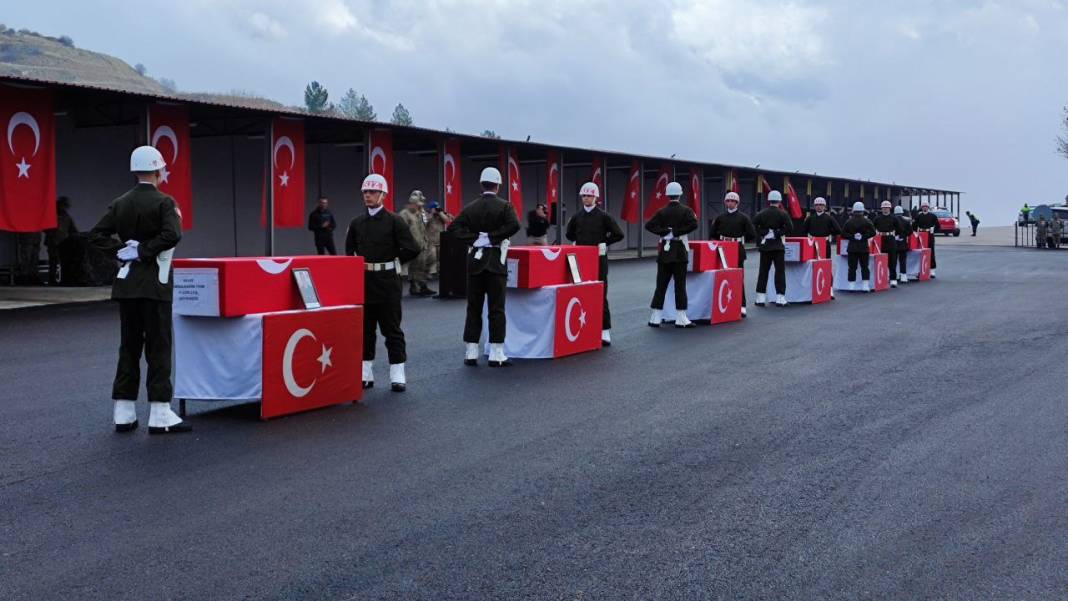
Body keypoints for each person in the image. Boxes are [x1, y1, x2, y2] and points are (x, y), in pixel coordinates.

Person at [88, 146, 188, 434]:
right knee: (158, 346)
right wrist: (144, 251)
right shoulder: (165, 202)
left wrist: (122, 250)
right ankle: (159, 412)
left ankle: (124, 410)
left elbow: (96, 236)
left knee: (128, 347)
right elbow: (173, 235)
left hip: (127, 284)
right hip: (155, 284)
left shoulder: (120, 203)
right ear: (158, 171)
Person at [345, 174, 422, 392]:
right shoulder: (357, 223)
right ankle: (365, 372)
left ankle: (397, 373)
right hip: (365, 281)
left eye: (372, 192)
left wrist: (396, 260)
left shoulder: (395, 221)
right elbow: (349, 250)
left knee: (391, 329)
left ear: (383, 195)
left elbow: (413, 247)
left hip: (388, 281)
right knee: (365, 329)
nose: (368, 196)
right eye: (365, 192)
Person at [447, 167, 521, 367]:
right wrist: (492, 237)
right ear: (498, 185)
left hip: (475, 261)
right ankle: (497, 353)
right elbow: (515, 225)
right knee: (496, 308)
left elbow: (453, 228)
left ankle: (471, 351)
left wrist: (476, 239)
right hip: (496, 261)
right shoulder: (505, 206)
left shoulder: (471, 207)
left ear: (481, 184)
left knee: (473, 307)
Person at [565, 182, 624, 345]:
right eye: (584, 196)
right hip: (581, 259)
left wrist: (605, 242)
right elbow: (569, 234)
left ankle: (604, 330)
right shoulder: (576, 216)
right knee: (581, 291)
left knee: (601, 293)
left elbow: (619, 234)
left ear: (596, 197)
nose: (586, 198)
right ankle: (584, 327)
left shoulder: (604, 216)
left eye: (589, 195)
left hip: (599, 258)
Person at [645, 181, 698, 327]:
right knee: (680, 286)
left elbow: (649, 225)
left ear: (667, 195)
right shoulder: (686, 210)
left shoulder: (661, 211)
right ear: (680, 194)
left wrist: (665, 232)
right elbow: (693, 224)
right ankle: (681, 318)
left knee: (660, 285)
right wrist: (676, 232)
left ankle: (655, 316)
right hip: (679, 250)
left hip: (665, 252)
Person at [710, 191, 756, 316]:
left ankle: (742, 305)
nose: (730, 203)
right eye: (728, 201)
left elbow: (752, 234)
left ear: (737, 203)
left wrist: (740, 239)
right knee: (723, 277)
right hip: (723, 249)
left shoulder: (744, 218)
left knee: (738, 278)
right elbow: (712, 234)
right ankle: (723, 302)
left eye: (733, 201)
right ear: (725, 202)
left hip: (737, 249)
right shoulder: (720, 218)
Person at [752, 190, 794, 307]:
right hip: (778, 247)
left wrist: (764, 233)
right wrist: (776, 233)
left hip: (765, 247)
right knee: (780, 272)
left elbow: (753, 225)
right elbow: (790, 228)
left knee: (763, 272)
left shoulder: (761, 213)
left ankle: (760, 298)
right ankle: (780, 298)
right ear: (779, 201)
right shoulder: (783, 214)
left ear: (768, 200)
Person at [802, 196, 841, 299]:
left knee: (826, 265)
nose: (819, 207)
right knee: (812, 265)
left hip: (825, 244)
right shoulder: (810, 218)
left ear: (824, 207)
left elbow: (838, 230)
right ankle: (813, 288)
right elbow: (803, 231)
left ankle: (830, 289)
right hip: (813, 245)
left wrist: (829, 235)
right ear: (814, 207)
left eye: (821, 205)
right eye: (817, 205)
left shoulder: (829, 218)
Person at [398, 190, 435, 296]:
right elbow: (401, 231)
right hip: (413, 246)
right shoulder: (405, 214)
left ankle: (423, 285)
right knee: (417, 266)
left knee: (428, 261)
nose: (419, 206)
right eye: (417, 205)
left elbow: (424, 226)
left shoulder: (419, 213)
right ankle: (415, 287)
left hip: (423, 243)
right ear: (412, 203)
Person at [841, 201, 876, 291]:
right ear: (862, 210)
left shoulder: (849, 221)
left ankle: (851, 285)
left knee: (852, 267)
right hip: (863, 247)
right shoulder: (867, 221)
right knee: (865, 266)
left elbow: (843, 234)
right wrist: (863, 237)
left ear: (853, 210)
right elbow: (873, 232)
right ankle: (865, 285)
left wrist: (852, 237)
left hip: (852, 247)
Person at [45, 196, 79, 285]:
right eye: (62, 205)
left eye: (65, 206)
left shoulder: (66, 216)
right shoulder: (51, 214)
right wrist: (52, 234)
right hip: (52, 242)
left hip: (64, 243)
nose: (63, 208)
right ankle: (51, 280)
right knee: (53, 261)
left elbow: (73, 229)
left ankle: (64, 279)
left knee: (64, 262)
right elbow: (45, 228)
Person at [873, 201, 900, 288]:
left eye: (887, 208)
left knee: (892, 260)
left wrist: (896, 236)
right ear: (881, 209)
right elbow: (872, 228)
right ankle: (882, 278)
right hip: (880, 240)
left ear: (890, 208)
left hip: (891, 239)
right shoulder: (877, 218)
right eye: (884, 208)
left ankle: (893, 279)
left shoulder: (894, 218)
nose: (885, 209)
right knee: (880, 259)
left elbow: (900, 228)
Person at [911, 200, 941, 278]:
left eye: (926, 207)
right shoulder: (918, 216)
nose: (925, 208)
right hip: (921, 236)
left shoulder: (933, 216)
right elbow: (913, 226)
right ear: (921, 207)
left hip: (929, 235)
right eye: (923, 206)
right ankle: (919, 270)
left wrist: (933, 230)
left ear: (928, 207)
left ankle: (932, 270)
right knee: (920, 253)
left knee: (931, 253)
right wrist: (915, 233)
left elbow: (938, 226)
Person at [424, 200, 453, 278]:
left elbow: (447, 221)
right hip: (431, 242)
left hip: (441, 241)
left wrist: (440, 212)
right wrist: (432, 213)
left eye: (437, 208)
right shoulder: (426, 214)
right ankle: (427, 272)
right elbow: (425, 222)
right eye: (434, 208)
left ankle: (440, 272)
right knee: (432, 258)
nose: (436, 209)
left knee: (442, 259)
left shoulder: (441, 215)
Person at [893, 206, 913, 284]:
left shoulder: (892, 221)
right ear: (902, 213)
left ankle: (893, 277)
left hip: (893, 243)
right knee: (903, 260)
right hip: (903, 243)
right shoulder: (906, 221)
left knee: (893, 261)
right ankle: (903, 276)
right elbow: (910, 232)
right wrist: (903, 236)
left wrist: (896, 236)